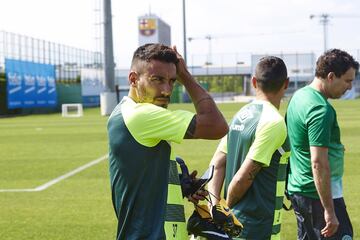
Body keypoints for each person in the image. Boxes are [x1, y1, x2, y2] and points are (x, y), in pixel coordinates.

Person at [107, 43, 228, 240]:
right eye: (157, 80)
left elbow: (139, 181)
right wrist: (185, 76)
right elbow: (217, 125)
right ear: (133, 79)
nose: (166, 90)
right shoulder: (141, 115)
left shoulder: (126, 112)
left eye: (173, 81)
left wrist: (181, 185)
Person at [208, 56, 290, 239]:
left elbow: (217, 163)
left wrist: (215, 206)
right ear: (286, 83)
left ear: (254, 82)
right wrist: (224, 214)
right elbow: (242, 179)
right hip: (256, 227)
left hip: (235, 228)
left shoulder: (241, 114)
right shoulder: (274, 122)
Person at [286, 49, 359, 239]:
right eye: (348, 80)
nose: (350, 87)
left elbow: (296, 141)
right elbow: (318, 162)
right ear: (331, 76)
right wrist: (329, 211)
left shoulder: (299, 96)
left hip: (300, 191)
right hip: (317, 196)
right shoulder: (320, 109)